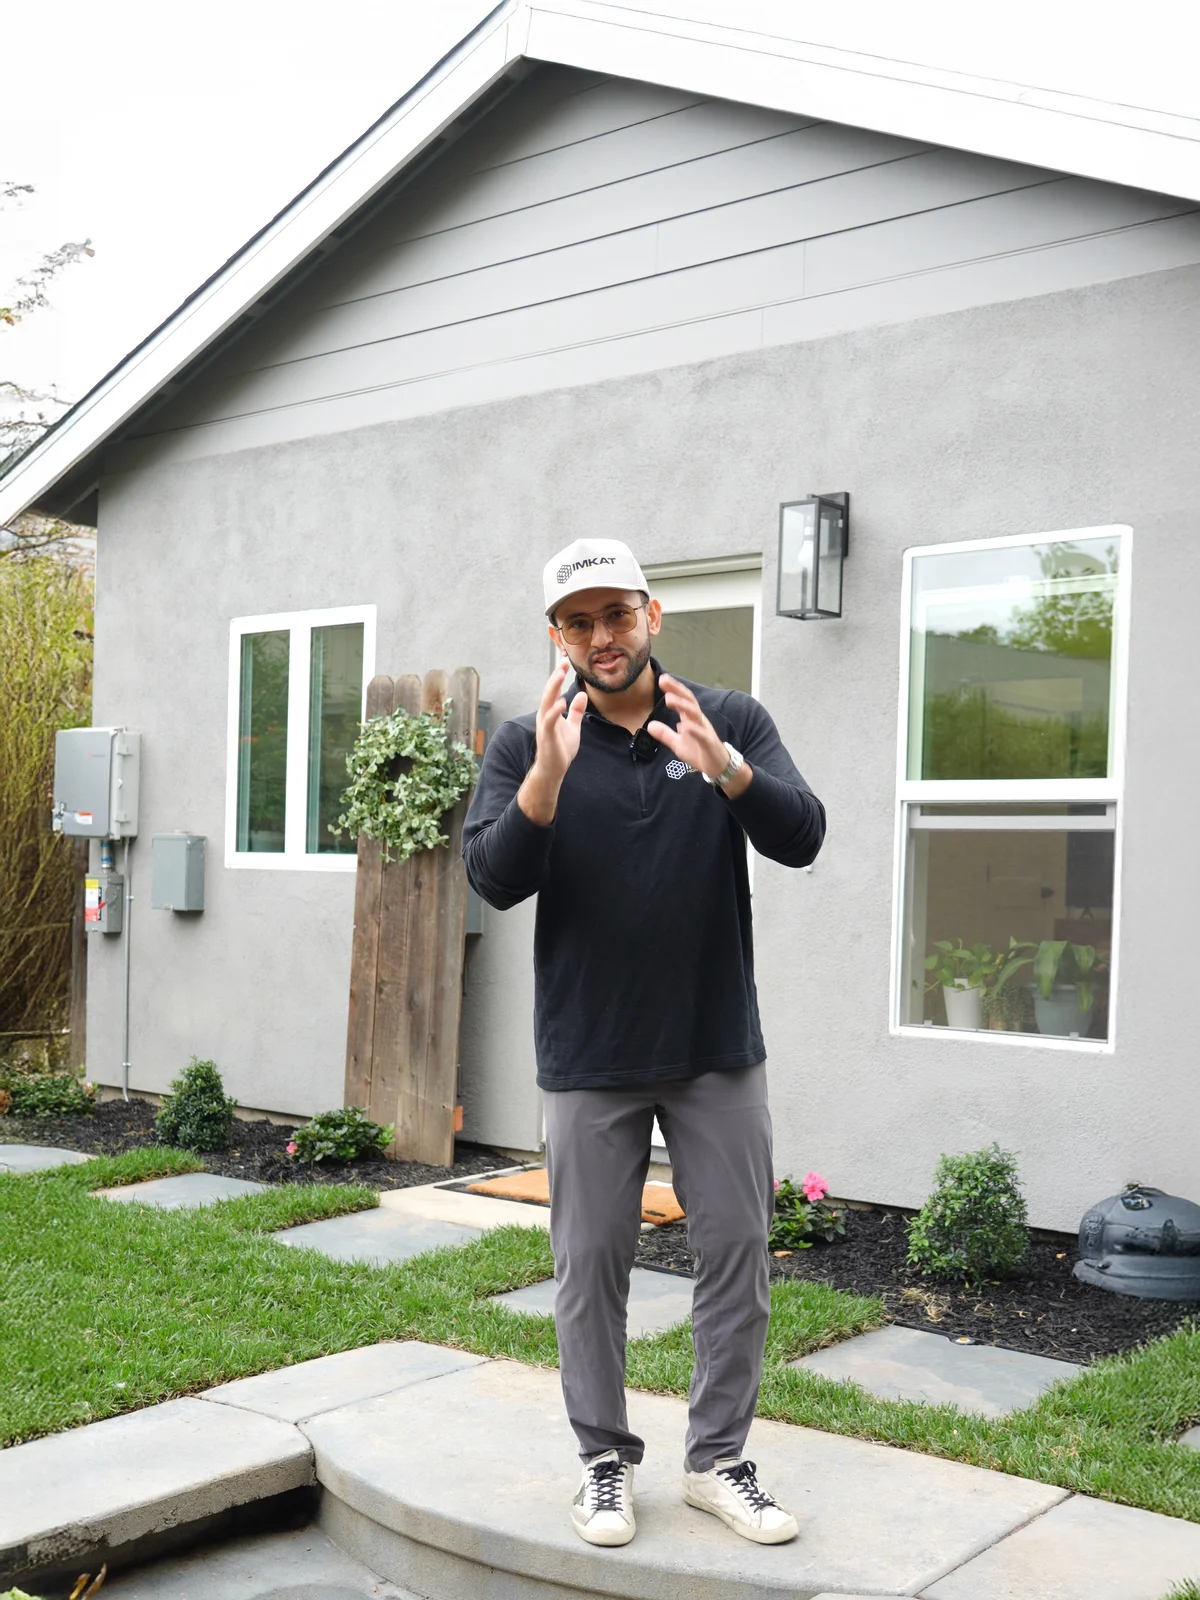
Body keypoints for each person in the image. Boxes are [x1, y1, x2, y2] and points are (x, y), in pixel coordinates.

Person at [462, 537, 825, 1550]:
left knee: (739, 1253)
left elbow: (802, 834)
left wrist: (729, 771)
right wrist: (545, 777)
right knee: (589, 1264)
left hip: (716, 1042)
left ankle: (717, 1460)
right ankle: (604, 1462)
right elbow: (492, 878)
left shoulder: (726, 717)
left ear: (651, 615)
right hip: (587, 1050)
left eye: (616, 614)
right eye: (578, 621)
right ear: (557, 635)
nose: (601, 637)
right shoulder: (523, 740)